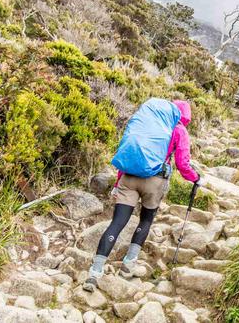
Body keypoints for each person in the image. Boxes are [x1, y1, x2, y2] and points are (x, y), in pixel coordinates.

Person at [83, 99, 201, 292]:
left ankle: (94, 273)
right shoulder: (179, 130)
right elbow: (182, 164)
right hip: (155, 181)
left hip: (128, 178)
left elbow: (127, 154)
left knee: (117, 223)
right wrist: (196, 178)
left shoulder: (146, 123)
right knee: (145, 221)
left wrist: (117, 182)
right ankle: (128, 266)